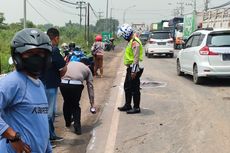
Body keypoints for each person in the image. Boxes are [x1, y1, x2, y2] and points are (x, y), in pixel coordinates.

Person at [0, 28, 52, 152]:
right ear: (18, 55)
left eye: (40, 53)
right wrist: (13, 137)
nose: (36, 58)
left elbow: (41, 123)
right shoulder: (12, 82)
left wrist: (48, 148)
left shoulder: (39, 84)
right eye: (29, 53)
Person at [40, 27, 67, 142]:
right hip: (50, 84)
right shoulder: (54, 50)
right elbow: (63, 68)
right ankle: (47, 139)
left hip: (41, 83)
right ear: (56, 38)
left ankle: (51, 135)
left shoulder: (41, 49)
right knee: (49, 113)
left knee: (44, 111)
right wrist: (59, 75)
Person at [60, 58, 96, 135]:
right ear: (88, 65)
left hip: (63, 83)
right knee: (75, 105)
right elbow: (90, 87)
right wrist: (92, 103)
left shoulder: (70, 63)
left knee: (66, 102)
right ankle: (77, 128)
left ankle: (68, 122)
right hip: (76, 85)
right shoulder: (87, 69)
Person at [117, 24, 144, 114]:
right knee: (127, 87)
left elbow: (136, 57)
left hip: (135, 68)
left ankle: (136, 107)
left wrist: (133, 71)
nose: (123, 38)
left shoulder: (134, 42)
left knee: (134, 88)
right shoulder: (131, 41)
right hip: (131, 67)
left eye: (123, 36)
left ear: (126, 34)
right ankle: (127, 105)